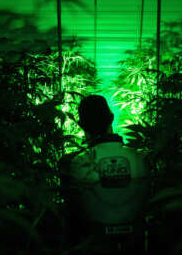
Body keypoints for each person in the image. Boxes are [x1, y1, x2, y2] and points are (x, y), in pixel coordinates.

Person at [59, 95, 151, 255]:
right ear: (112, 118)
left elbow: (71, 212)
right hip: (136, 242)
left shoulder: (71, 162)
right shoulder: (141, 158)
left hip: (92, 243)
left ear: (81, 124)